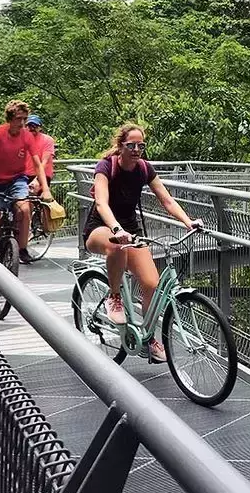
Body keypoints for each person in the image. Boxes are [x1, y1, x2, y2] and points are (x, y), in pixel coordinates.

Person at [83, 123, 202, 363]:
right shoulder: (106, 166)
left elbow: (167, 201)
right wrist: (116, 228)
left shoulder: (144, 169)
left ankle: (148, 338)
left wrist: (188, 222)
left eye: (141, 145)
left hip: (131, 230)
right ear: (120, 146)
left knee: (151, 284)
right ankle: (114, 297)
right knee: (116, 246)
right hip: (100, 228)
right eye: (131, 145)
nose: (137, 150)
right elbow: (101, 204)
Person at [0, 100, 53, 281]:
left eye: (25, 119)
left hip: (18, 179)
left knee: (24, 209)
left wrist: (45, 189)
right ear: (10, 119)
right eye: (19, 119)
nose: (23, 123)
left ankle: (22, 248)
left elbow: (37, 164)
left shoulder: (26, 136)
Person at [24, 115, 55, 194]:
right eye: (29, 126)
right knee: (24, 201)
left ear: (40, 127)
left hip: (43, 174)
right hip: (26, 174)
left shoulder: (47, 140)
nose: (32, 128)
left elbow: (45, 161)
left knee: (42, 199)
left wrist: (37, 179)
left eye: (35, 126)